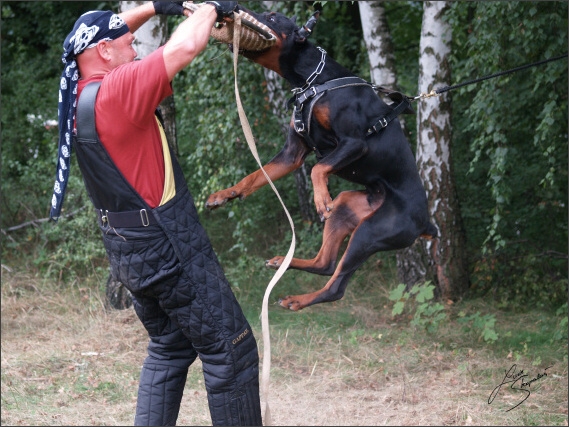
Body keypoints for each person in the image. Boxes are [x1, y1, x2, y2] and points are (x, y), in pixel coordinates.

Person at [49, 2, 263, 425]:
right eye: (129, 46)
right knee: (231, 351)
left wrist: (157, 6)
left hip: (130, 253)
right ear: (106, 52)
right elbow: (185, 47)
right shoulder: (119, 89)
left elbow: (102, 35)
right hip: (170, 248)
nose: (136, 53)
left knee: (170, 347)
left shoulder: (78, 94)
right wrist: (211, 9)